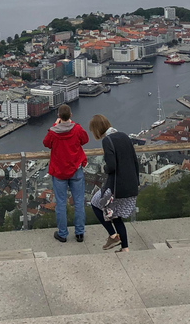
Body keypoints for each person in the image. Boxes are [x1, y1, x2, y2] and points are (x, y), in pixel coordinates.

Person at [88, 115, 140, 252]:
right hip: (131, 184)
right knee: (116, 215)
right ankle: (125, 248)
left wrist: (104, 168)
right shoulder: (124, 136)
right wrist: (137, 182)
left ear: (97, 129)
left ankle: (112, 235)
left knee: (95, 203)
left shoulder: (107, 140)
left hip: (117, 187)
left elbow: (111, 166)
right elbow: (135, 160)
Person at [43, 104, 89, 243]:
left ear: (58, 116)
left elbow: (46, 143)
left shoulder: (53, 132)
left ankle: (63, 234)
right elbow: (85, 140)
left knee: (61, 203)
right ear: (70, 115)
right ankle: (79, 233)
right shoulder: (77, 129)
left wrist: (55, 125)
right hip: (75, 169)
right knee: (79, 202)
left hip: (59, 172)